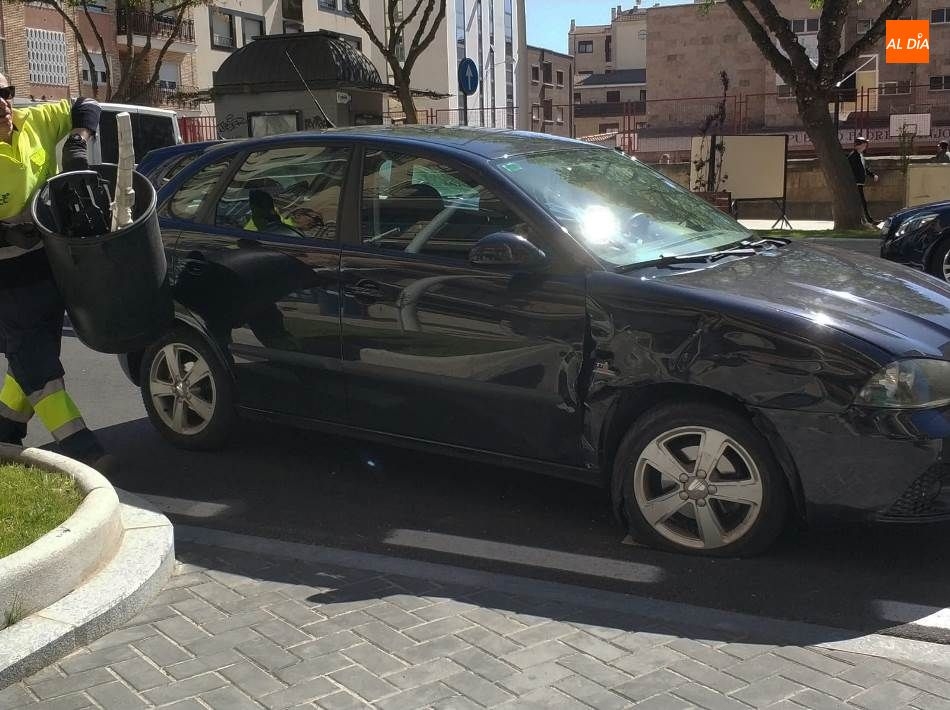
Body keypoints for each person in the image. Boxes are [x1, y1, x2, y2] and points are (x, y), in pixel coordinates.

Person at [0, 73, 116, 473]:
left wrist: (79, 140)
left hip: (49, 261)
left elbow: (86, 104)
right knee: (36, 360)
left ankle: (4, 431)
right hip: (5, 277)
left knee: (35, 353)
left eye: (5, 92)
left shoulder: (34, 121)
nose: (2, 103)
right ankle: (81, 446)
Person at [847, 136, 878, 224]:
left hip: (859, 183)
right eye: (863, 144)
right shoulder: (853, 156)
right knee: (861, 202)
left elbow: (864, 169)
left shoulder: (860, 155)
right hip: (856, 183)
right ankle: (868, 220)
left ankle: (865, 220)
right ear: (857, 146)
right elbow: (851, 170)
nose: (865, 146)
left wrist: (872, 175)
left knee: (860, 202)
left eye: (865, 144)